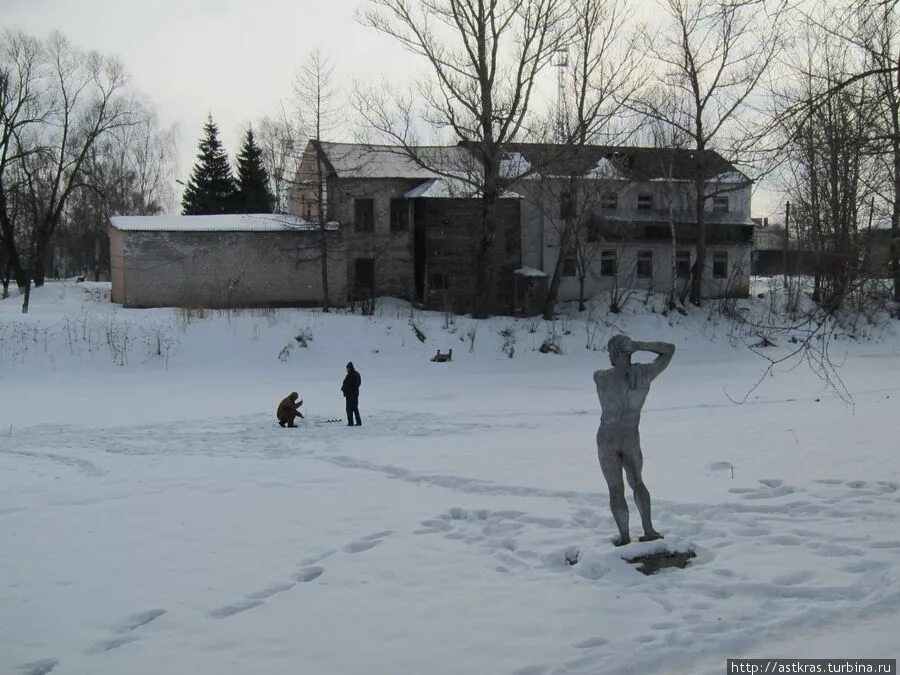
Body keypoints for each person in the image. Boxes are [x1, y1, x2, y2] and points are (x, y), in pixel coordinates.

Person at [594, 335, 675, 546]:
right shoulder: (644, 374)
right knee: (637, 482)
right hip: (630, 435)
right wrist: (639, 346)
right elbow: (669, 349)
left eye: (610, 351)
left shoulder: (601, 377)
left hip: (608, 437)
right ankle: (648, 529)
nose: (609, 355)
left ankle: (624, 537)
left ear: (615, 353)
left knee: (616, 489)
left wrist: (631, 349)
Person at [341, 362, 362, 426]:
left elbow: (351, 384)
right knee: (355, 409)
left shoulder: (351, 375)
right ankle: (358, 422)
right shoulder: (356, 374)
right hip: (354, 395)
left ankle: (351, 423)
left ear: (350, 368)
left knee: (349, 410)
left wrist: (346, 389)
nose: (347, 369)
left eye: (347, 368)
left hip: (351, 395)